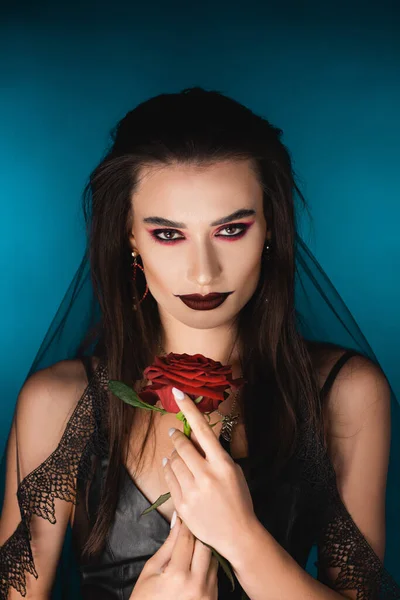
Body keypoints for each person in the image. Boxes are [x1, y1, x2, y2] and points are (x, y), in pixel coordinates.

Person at [0, 87, 399, 600]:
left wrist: (246, 542)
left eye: (231, 229)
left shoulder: (344, 393)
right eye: (169, 234)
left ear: (272, 227)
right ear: (129, 237)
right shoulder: (56, 404)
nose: (204, 272)